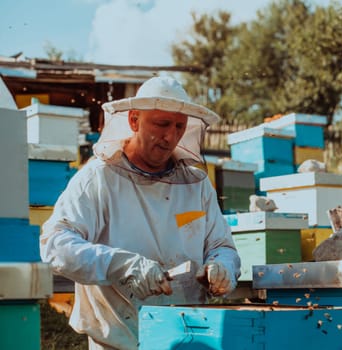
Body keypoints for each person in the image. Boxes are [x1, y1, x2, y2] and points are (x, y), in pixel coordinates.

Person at [40, 76, 241, 350]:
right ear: (134, 121)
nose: (170, 136)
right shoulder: (98, 178)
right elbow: (56, 245)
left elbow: (222, 246)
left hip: (188, 338)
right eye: (161, 124)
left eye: (179, 127)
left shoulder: (196, 185)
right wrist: (121, 266)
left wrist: (222, 266)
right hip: (119, 340)